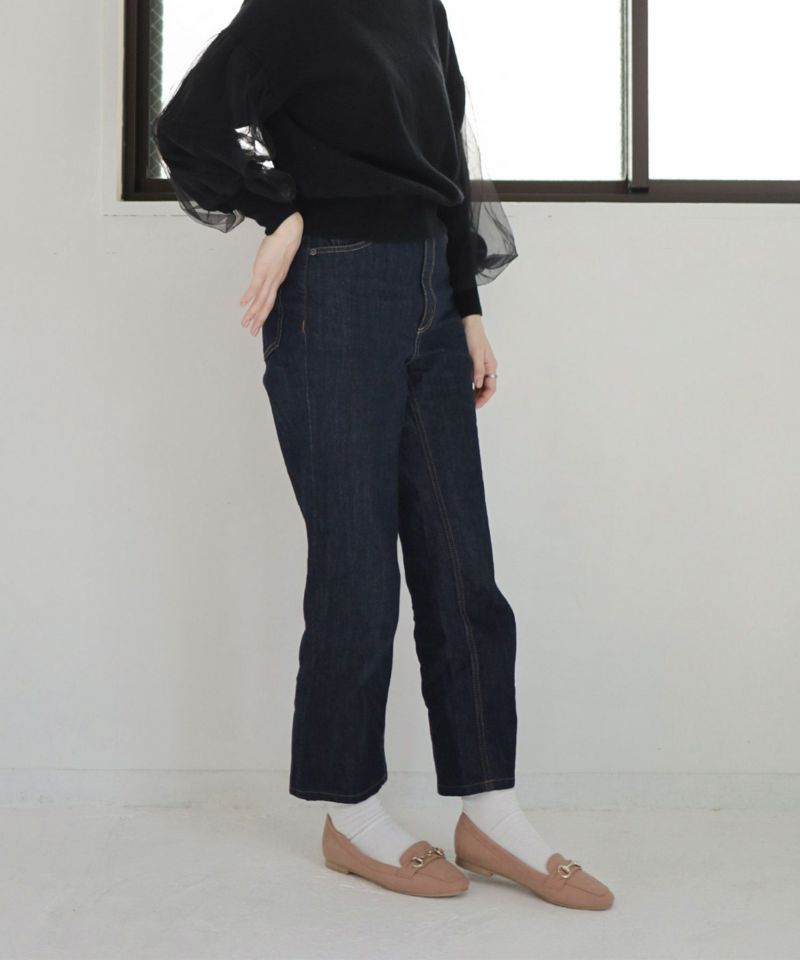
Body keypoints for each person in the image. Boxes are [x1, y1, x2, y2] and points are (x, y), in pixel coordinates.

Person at [153, 0, 613, 907]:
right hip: (333, 291)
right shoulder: (290, 10)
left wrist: (467, 308)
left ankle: (489, 811)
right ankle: (351, 813)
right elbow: (186, 127)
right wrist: (278, 210)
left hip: (431, 298)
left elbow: (446, 162)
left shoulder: (420, 7)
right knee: (358, 569)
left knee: (463, 567)